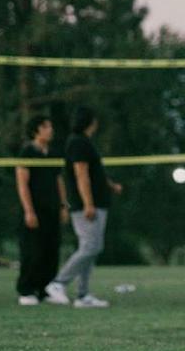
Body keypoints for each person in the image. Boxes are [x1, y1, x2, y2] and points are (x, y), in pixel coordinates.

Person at [44, 106, 122, 308]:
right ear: (91, 121)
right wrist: (88, 203)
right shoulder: (77, 142)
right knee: (91, 247)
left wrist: (110, 185)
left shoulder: (85, 143)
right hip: (87, 205)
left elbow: (95, 173)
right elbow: (81, 174)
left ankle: (83, 295)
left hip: (98, 202)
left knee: (91, 249)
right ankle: (58, 283)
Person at [15, 115, 69, 305]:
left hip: (52, 208)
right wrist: (29, 211)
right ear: (36, 130)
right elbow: (22, 183)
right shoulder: (27, 151)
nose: (50, 130)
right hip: (35, 209)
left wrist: (64, 205)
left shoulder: (53, 153)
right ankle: (26, 290)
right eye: (46, 127)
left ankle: (45, 290)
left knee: (51, 250)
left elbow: (58, 180)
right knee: (32, 250)